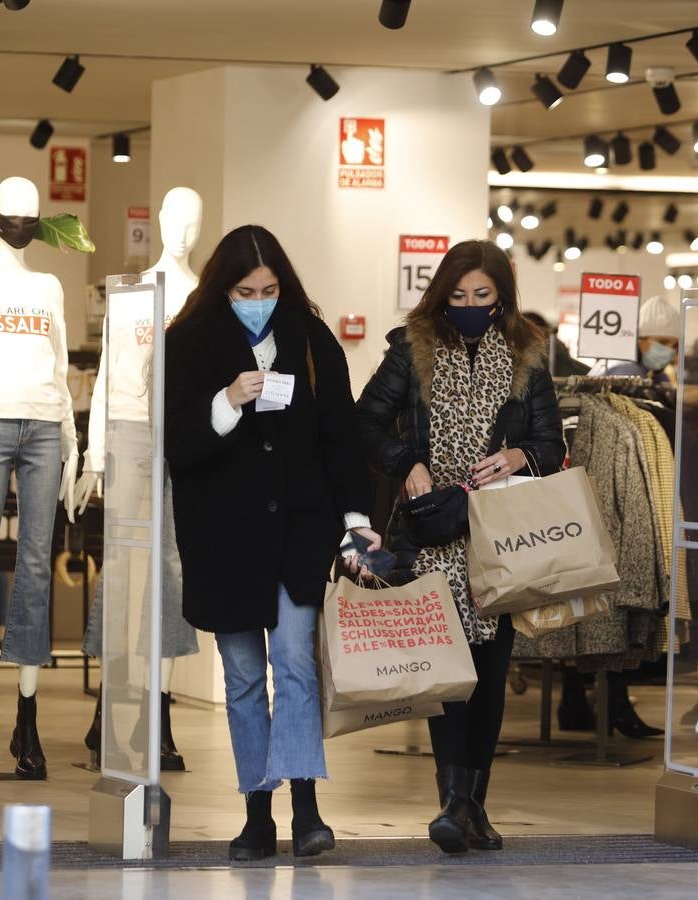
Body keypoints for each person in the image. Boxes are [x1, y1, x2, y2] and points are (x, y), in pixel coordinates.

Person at [164, 225, 377, 862]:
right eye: (245, 290)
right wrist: (227, 402)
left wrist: (355, 516)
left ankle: (307, 807)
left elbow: (341, 433)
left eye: (269, 288)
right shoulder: (190, 341)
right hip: (223, 537)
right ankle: (257, 811)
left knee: (295, 666)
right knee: (241, 678)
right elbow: (178, 444)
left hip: (299, 529)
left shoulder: (311, 338)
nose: (259, 298)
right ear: (221, 289)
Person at [356, 240, 565, 854]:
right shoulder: (411, 349)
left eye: (483, 295)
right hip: (433, 532)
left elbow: (553, 446)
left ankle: (473, 805)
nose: (471, 306)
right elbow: (363, 422)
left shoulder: (527, 354)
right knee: (448, 673)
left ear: (502, 295)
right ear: (441, 294)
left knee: (492, 676)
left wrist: (521, 454)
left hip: (501, 536)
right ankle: (452, 803)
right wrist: (408, 461)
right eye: (459, 296)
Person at [589, 294, 679, 380]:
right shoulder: (627, 371)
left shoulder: (647, 372)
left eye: (675, 345)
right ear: (639, 339)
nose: (670, 351)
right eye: (662, 342)